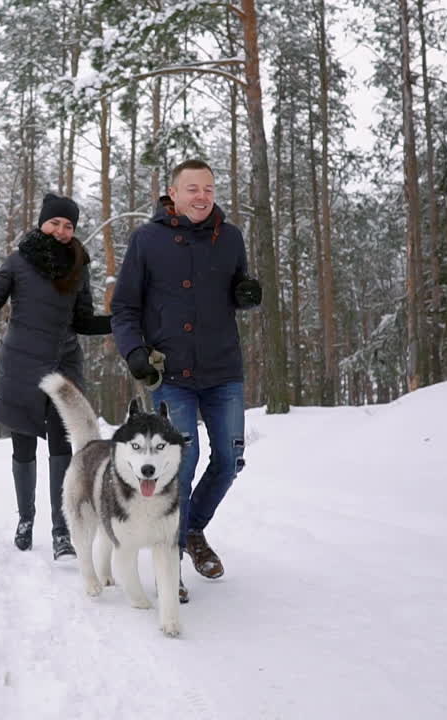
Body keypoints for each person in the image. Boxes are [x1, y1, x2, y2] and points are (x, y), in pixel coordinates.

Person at [110, 159, 263, 602]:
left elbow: (237, 289)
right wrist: (134, 352)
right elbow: (124, 308)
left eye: (209, 189)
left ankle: (191, 528)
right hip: (169, 371)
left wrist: (246, 295)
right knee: (181, 463)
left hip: (222, 369)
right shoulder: (147, 240)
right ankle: (169, 562)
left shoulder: (229, 237)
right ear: (172, 194)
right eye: (192, 189)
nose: (202, 197)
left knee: (231, 459)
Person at [0, 193, 112, 560]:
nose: (61, 231)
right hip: (21, 368)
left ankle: (62, 530)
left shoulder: (79, 266)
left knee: (63, 447)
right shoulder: (18, 261)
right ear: (41, 223)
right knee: (24, 446)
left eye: (68, 226)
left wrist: (120, 321)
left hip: (64, 370)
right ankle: (25, 520)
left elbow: (83, 321)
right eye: (55, 223)